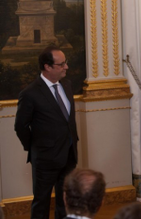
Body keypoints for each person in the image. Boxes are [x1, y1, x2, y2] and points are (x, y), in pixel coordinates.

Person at [14, 46, 79, 219]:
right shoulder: (29, 93)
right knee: (41, 203)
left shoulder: (67, 84)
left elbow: (67, 121)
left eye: (66, 63)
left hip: (69, 154)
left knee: (65, 201)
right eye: (62, 64)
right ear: (47, 67)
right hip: (44, 158)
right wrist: (36, 148)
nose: (66, 67)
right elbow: (20, 126)